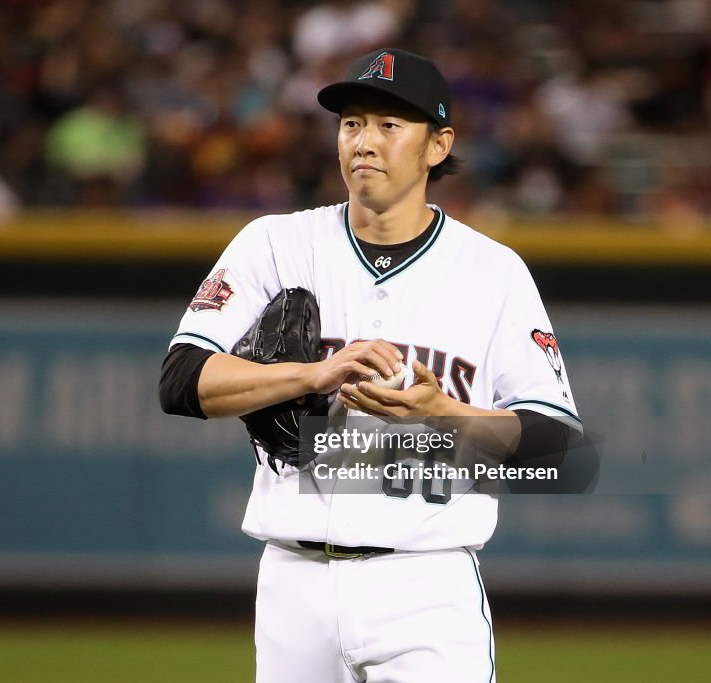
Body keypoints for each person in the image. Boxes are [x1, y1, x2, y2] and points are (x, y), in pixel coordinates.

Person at [159, 48, 582, 682]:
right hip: (292, 583)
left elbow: (560, 450)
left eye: (390, 125)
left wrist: (444, 413)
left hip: (427, 582)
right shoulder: (274, 244)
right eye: (352, 123)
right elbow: (181, 381)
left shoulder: (493, 272)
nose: (365, 141)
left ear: (437, 146)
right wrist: (310, 375)